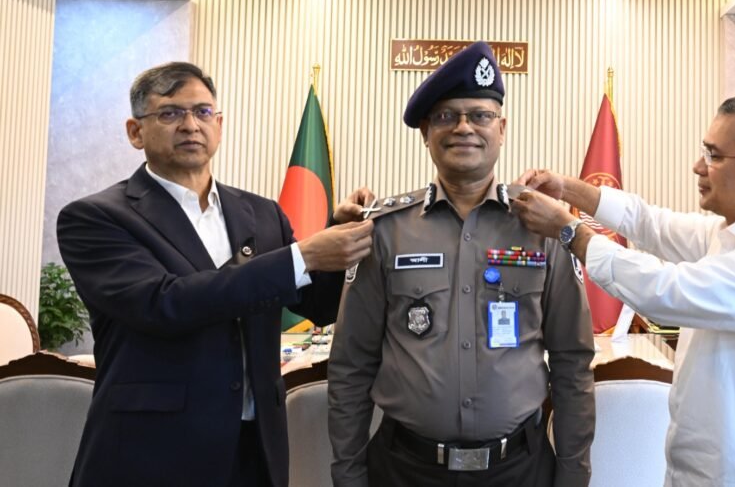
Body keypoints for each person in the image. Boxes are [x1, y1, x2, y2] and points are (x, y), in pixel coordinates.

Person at [56, 61, 375, 487]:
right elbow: (164, 303)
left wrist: (337, 232)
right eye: (170, 113)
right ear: (135, 132)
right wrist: (300, 257)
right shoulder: (95, 217)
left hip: (254, 449)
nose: (190, 125)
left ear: (219, 125)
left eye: (202, 112)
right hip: (152, 451)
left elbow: (316, 305)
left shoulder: (262, 213)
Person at [512, 96, 735, 486]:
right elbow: (649, 223)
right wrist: (568, 189)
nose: (698, 166)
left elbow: (665, 291)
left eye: (714, 156)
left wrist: (569, 231)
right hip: (701, 470)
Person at [328, 41, 595, 487]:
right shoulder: (386, 229)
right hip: (406, 471)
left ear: (502, 129)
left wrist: (573, 475)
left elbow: (572, 362)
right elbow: (351, 365)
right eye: (446, 116)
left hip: (518, 471)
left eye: (480, 115)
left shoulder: (544, 226)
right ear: (425, 132)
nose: (464, 127)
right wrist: (349, 476)